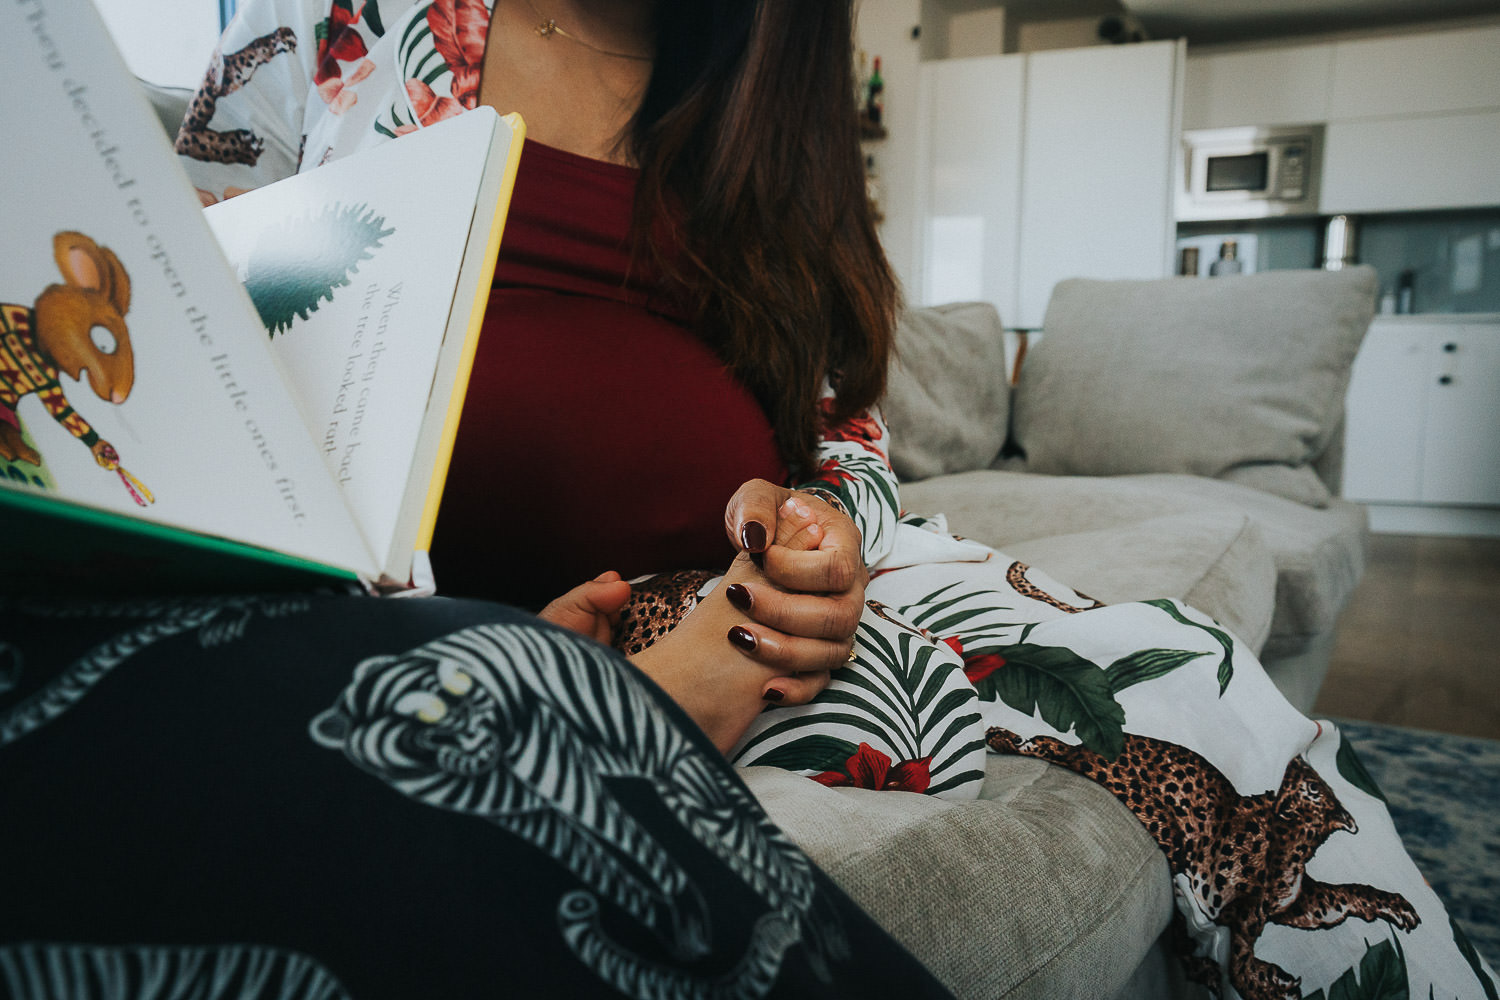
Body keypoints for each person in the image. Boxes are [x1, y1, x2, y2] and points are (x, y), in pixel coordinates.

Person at [5, 1, 1495, 999]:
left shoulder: (755, 105)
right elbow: (196, 346)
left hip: (777, 586)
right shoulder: (341, 26)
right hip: (474, 598)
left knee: (1206, 698)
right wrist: (464, 634)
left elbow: (837, 418)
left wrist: (830, 530)